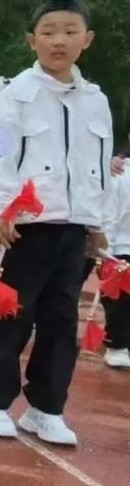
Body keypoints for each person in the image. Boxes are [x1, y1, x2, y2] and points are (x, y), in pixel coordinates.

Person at [0, 0, 113, 446]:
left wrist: (97, 223)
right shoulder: (13, 95)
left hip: (73, 230)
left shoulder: (96, 101)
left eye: (70, 31)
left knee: (59, 324)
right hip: (22, 225)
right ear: (32, 39)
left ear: (86, 40)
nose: (59, 40)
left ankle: (46, 409)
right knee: (9, 316)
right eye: (49, 31)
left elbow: (99, 162)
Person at [101, 155, 130, 369]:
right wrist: (107, 252)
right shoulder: (121, 173)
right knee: (120, 302)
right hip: (121, 247)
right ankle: (117, 345)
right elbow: (110, 212)